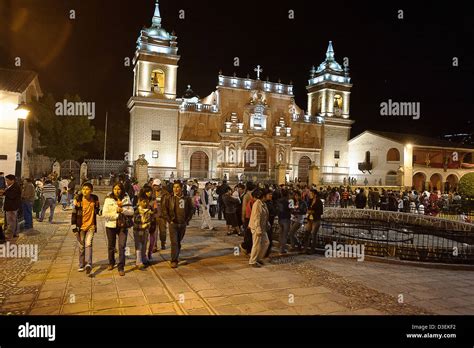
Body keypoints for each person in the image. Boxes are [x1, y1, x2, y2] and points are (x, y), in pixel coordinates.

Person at [102, 183, 134, 276]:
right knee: (111, 246)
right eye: (115, 189)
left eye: (119, 189)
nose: (117, 191)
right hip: (111, 225)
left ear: (122, 190)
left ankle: (121, 266)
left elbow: (131, 211)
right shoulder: (108, 199)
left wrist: (123, 210)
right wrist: (117, 213)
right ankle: (111, 262)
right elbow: (104, 213)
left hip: (123, 226)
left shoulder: (126, 198)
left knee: (122, 246)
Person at [162, 181, 194, 268]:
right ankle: (174, 260)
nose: (175, 189)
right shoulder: (169, 198)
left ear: (181, 188)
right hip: (173, 224)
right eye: (174, 187)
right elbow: (164, 210)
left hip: (182, 224)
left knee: (178, 242)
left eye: (177, 187)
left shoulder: (186, 198)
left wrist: (187, 220)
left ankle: (176, 255)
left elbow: (191, 209)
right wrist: (169, 220)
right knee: (174, 242)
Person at [71, 183, 100, 276]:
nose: (85, 191)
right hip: (81, 227)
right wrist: (74, 226)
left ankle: (88, 263)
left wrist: (104, 211)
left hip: (91, 226)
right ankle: (81, 263)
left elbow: (97, 210)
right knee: (81, 246)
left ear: (91, 190)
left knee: (88, 243)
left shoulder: (95, 199)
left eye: (87, 189)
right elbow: (74, 213)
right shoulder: (78, 200)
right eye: (83, 189)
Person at [248, 189, 270, 268]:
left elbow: (265, 215)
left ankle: (258, 258)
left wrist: (267, 223)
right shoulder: (257, 204)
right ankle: (252, 261)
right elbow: (256, 217)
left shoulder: (263, 203)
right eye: (268, 194)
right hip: (256, 227)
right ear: (263, 196)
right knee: (256, 244)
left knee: (266, 242)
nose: (270, 196)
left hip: (262, 227)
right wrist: (258, 229)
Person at [133, 196, 153, 269]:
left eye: (147, 202)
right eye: (143, 202)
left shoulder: (149, 210)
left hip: (145, 230)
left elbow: (151, 219)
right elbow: (135, 221)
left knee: (144, 244)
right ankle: (138, 261)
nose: (145, 203)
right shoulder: (137, 210)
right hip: (138, 230)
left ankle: (144, 258)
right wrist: (142, 225)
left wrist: (148, 224)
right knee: (139, 245)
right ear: (139, 202)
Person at [151, 179, 169, 252]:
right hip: (154, 215)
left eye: (157, 185)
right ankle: (154, 246)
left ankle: (163, 243)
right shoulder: (151, 193)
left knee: (163, 231)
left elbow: (168, 204)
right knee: (154, 232)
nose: (155, 187)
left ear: (160, 185)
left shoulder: (165, 193)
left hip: (162, 216)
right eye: (154, 185)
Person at [305, 189, 324, 254]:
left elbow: (321, 212)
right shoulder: (310, 201)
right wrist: (308, 211)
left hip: (316, 220)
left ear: (314, 194)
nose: (309, 194)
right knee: (307, 233)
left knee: (313, 235)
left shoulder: (319, 202)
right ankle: (305, 248)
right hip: (310, 219)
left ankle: (312, 249)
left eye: (311, 193)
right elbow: (308, 209)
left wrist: (313, 212)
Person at [240, 181, 256, 255]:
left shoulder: (246, 195)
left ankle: (247, 248)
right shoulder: (254, 195)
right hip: (253, 216)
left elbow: (244, 207)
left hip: (248, 216)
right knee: (251, 233)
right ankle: (246, 247)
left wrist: (243, 216)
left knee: (248, 233)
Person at [276, 189, 291, 254]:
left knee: (281, 234)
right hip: (286, 219)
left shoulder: (278, 201)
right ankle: (282, 249)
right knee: (285, 235)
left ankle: (280, 247)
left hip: (280, 218)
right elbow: (291, 209)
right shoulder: (288, 201)